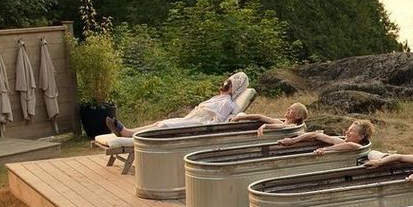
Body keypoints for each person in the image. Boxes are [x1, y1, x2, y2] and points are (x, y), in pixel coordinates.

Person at [106, 72, 249, 137]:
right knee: (160, 122)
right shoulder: (218, 98)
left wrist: (202, 128)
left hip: (198, 124)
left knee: (163, 126)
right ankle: (127, 131)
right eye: (227, 81)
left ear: (233, 88)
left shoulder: (227, 103)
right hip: (191, 119)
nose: (225, 84)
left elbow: (217, 123)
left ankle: (127, 133)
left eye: (229, 83)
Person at [277, 119, 374, 156]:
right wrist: (293, 140)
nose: (347, 132)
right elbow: (316, 135)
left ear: (361, 136)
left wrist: (325, 149)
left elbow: (351, 146)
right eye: (348, 130)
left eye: (351, 131)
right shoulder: (340, 142)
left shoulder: (359, 147)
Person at [231, 102, 308, 135]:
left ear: (298, 116)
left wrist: (266, 126)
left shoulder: (293, 126)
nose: (288, 109)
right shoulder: (279, 122)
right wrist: (239, 118)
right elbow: (260, 117)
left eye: (292, 109)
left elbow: (284, 127)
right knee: (241, 114)